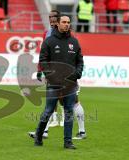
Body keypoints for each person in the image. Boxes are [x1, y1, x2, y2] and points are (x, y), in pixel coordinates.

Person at [28, 10, 86, 140]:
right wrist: (41, 70)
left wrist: (76, 74)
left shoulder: (71, 37)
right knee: (51, 106)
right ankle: (44, 132)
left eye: (54, 17)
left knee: (72, 103)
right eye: (50, 17)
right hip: (54, 78)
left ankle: (81, 131)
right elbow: (44, 55)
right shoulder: (47, 35)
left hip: (69, 78)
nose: (51, 19)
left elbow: (77, 56)